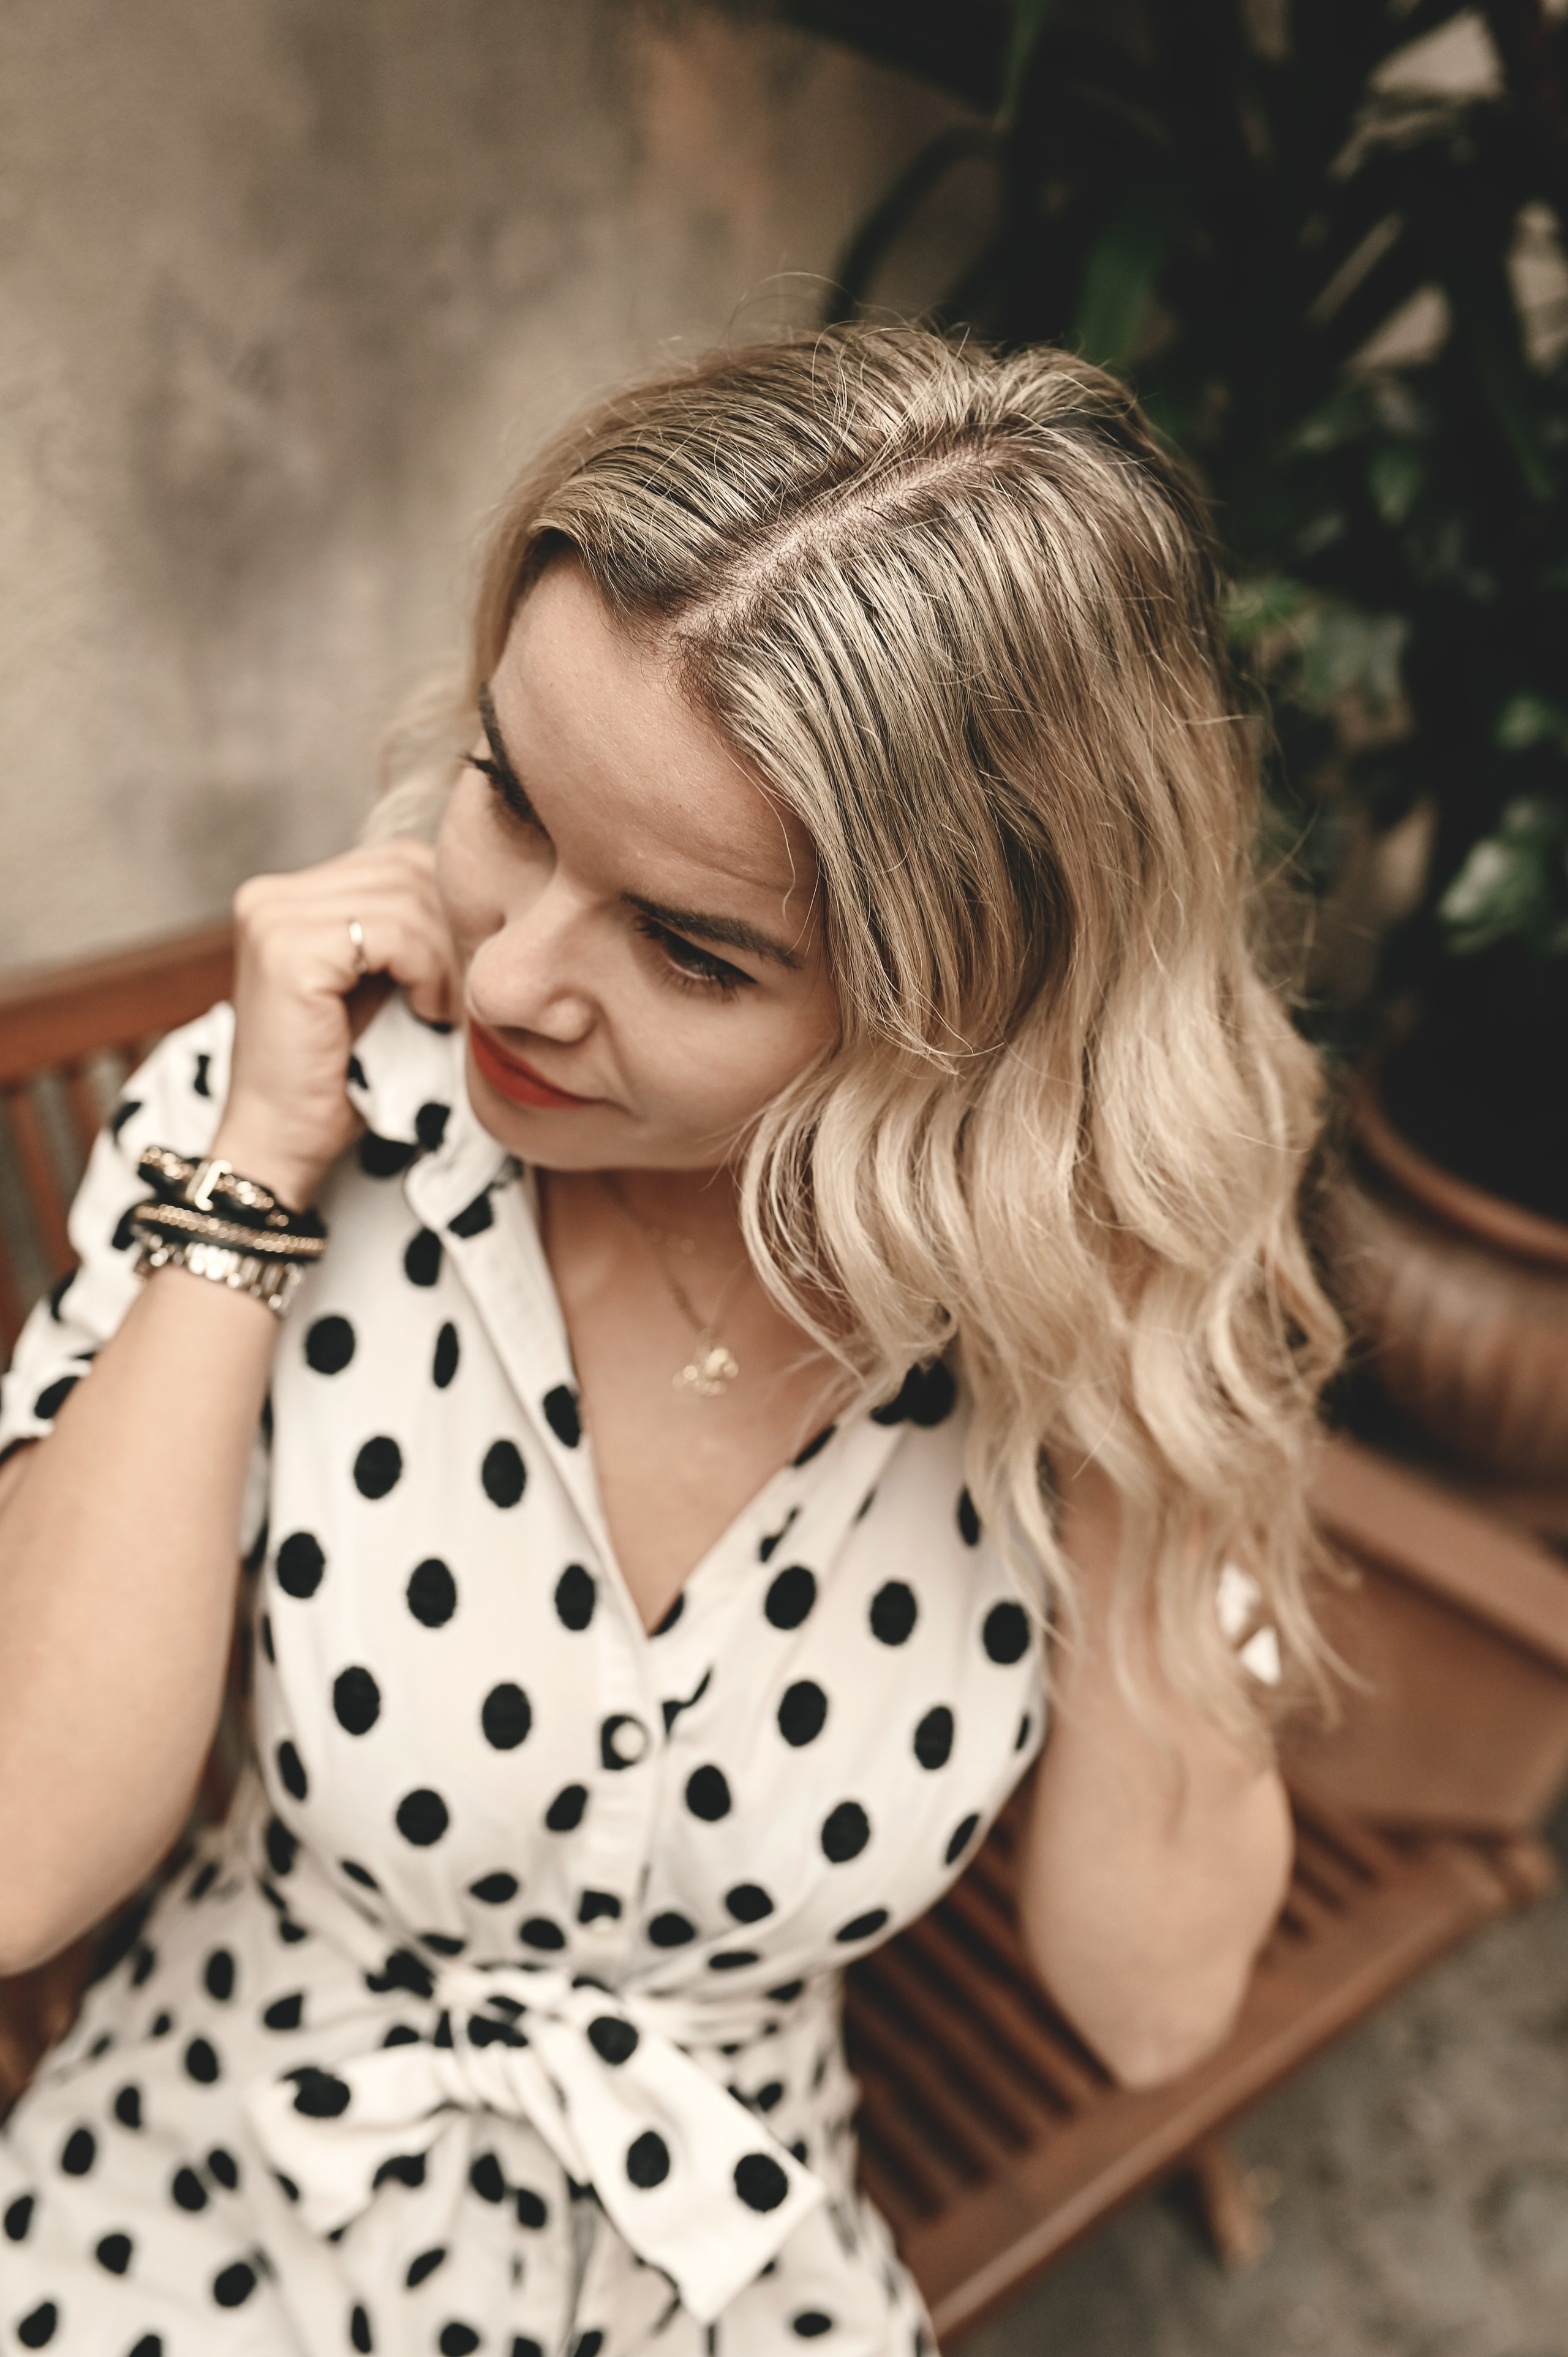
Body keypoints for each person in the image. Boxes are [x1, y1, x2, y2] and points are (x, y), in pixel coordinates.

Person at [0, 326, 1341, 2357]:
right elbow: (18, 1854)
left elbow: (1152, 2011)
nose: (513, 980)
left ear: (964, 1010)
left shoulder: (1049, 1323)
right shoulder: (291, 1110)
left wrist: (1156, 1378)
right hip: (204, 2207)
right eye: (511, 803)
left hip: (718, 2273)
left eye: (690, 945)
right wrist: (250, 1181)